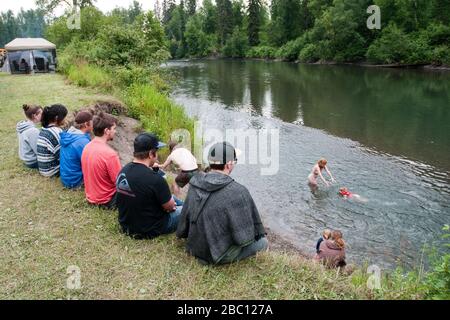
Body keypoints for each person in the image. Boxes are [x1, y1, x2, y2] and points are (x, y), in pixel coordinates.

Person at [177, 142, 268, 265]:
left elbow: (187, 217)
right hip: (217, 255)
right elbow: (247, 231)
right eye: (234, 161)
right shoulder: (239, 191)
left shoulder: (195, 181)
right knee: (263, 242)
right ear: (229, 164)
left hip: (194, 245)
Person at [116, 133, 184, 239]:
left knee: (172, 198)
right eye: (156, 152)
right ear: (151, 154)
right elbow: (170, 207)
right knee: (188, 210)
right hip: (150, 228)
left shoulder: (123, 171)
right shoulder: (156, 179)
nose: (156, 156)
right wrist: (171, 205)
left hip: (127, 225)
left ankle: (183, 204)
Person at [81, 112, 121, 209]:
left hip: (91, 198)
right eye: (114, 129)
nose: (115, 132)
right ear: (107, 131)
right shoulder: (110, 154)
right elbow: (120, 183)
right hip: (107, 201)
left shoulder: (87, 147)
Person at [59, 111, 93, 189]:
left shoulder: (69, 134)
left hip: (66, 178)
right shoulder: (82, 142)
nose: (93, 125)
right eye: (92, 122)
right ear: (86, 124)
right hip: (75, 182)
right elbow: (90, 164)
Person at [37, 104, 68, 177]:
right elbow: (61, 156)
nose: (65, 119)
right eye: (64, 117)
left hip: (43, 169)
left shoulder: (44, 129)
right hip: (52, 171)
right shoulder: (56, 132)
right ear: (57, 118)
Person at [16, 104, 43, 169]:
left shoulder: (23, 125)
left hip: (26, 158)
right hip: (32, 161)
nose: (43, 115)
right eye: (41, 114)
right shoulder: (33, 131)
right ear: (34, 116)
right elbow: (38, 151)